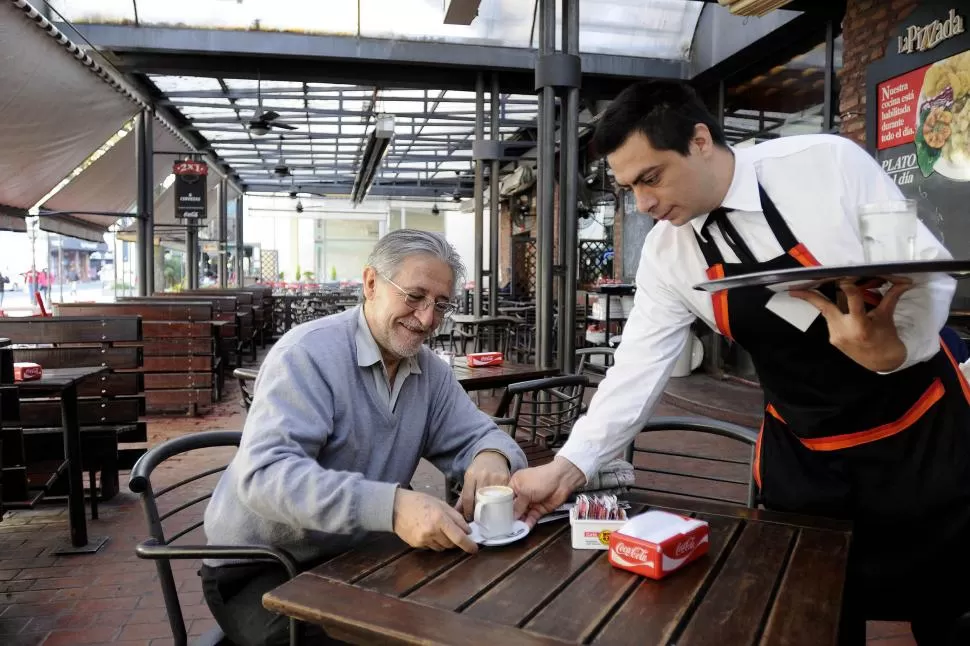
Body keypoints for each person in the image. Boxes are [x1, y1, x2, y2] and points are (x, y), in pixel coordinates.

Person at [510, 80, 970, 645]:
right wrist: (568, 466)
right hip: (806, 454)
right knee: (811, 613)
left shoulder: (825, 166)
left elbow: (924, 272)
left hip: (921, 432)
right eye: (629, 187)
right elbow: (636, 369)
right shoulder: (668, 252)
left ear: (700, 140)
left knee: (952, 604)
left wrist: (895, 351)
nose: (644, 204)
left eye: (651, 178)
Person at [201, 229, 527, 646]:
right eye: (414, 296)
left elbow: (480, 435)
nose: (427, 319)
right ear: (371, 283)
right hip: (261, 566)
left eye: (440, 305)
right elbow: (265, 475)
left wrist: (491, 456)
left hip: (360, 556)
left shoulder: (429, 371)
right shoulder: (308, 354)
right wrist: (391, 507)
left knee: (463, 617)